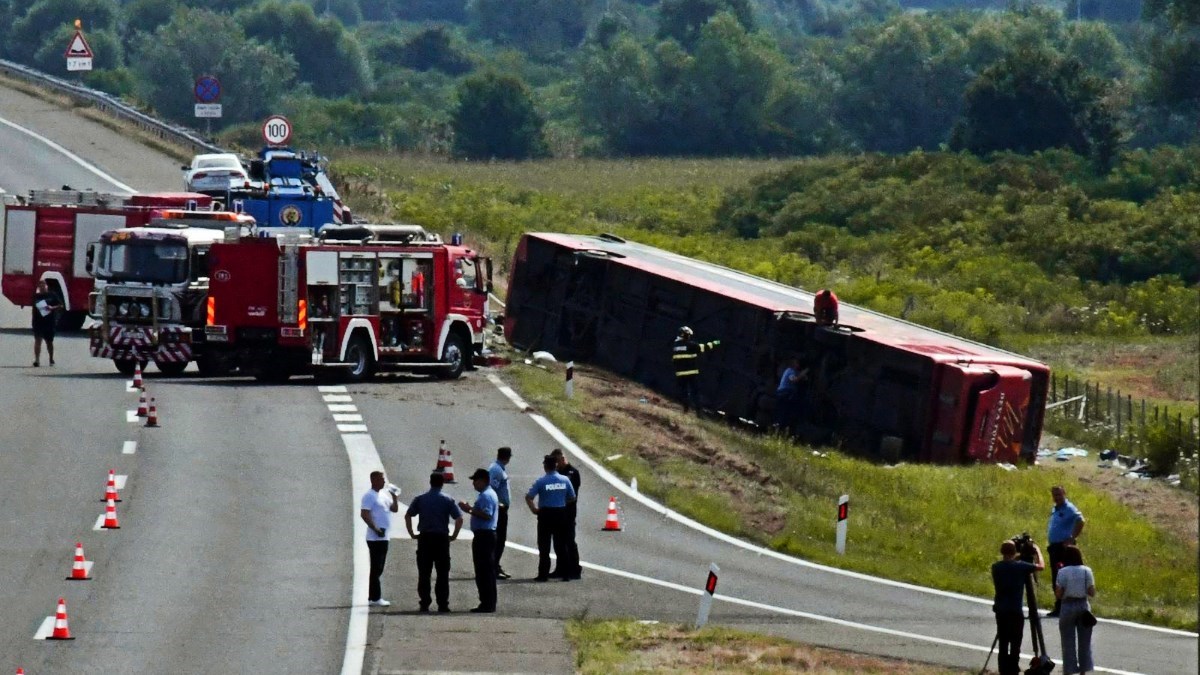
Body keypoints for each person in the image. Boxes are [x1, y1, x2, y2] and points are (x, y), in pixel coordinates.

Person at [405, 472, 464, 612]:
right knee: (442, 573)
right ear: (442, 483)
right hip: (441, 539)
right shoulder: (448, 499)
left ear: (430, 482)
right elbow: (459, 518)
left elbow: (408, 515)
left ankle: (424, 602)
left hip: (425, 538)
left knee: (424, 573)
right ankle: (442, 603)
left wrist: (412, 533)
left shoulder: (420, 499)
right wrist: (454, 535)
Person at [991, 539, 1045, 675]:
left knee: (1003, 642)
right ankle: (1013, 668)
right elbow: (1041, 566)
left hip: (1001, 610)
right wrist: (1037, 550)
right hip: (1015, 610)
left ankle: (1003, 670)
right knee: (1016, 641)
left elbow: (1010, 564)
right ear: (1015, 551)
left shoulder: (996, 567)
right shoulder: (1021, 567)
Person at [525, 454, 576, 582]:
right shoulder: (565, 480)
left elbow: (529, 496)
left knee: (544, 546)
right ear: (556, 465)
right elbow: (572, 497)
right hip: (560, 512)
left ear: (545, 466)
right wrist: (562, 502)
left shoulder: (541, 481)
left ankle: (543, 574)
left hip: (545, 514)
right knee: (561, 545)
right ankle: (565, 574)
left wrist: (534, 509)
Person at [458, 469, 499, 613]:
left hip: (484, 535)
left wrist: (469, 509)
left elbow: (487, 515)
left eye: (476, 481)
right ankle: (487, 602)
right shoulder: (486, 494)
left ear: (483, 480)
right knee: (484, 570)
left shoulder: (486, 496)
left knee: (484, 570)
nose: (474, 484)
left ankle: (487, 603)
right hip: (485, 535)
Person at [360, 470, 400, 607]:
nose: (384, 481)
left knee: (380, 567)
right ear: (374, 480)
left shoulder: (383, 495)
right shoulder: (369, 496)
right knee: (376, 567)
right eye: (381, 479)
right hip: (375, 537)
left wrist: (394, 496)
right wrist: (375, 528)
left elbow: (394, 509)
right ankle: (375, 597)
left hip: (384, 537)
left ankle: (374, 596)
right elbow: (364, 514)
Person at [1055, 545, 1097, 675]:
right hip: (1083, 605)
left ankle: (1069, 670)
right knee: (1085, 641)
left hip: (1068, 605)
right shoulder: (1086, 571)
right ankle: (1083, 670)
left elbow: (1059, 594)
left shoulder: (1062, 572)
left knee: (1068, 641)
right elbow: (1092, 592)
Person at [1046, 485, 1085, 617]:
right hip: (1054, 547)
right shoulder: (1056, 509)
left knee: (1062, 576)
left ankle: (1064, 606)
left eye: (1059, 495)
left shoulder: (1068, 508)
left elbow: (1080, 520)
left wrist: (1071, 538)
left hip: (1063, 548)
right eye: (1054, 495)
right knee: (1056, 576)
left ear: (1064, 494)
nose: (1057, 498)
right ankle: (1059, 605)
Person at [672, 326, 720, 414]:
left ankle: (685, 409)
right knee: (695, 392)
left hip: (680, 374)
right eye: (688, 335)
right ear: (685, 335)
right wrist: (716, 342)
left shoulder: (675, 345)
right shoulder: (690, 345)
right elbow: (703, 347)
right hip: (691, 373)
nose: (689, 336)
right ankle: (699, 412)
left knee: (684, 392)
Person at [550, 448, 581, 580]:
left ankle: (575, 569)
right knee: (558, 542)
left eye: (557, 461)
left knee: (569, 541)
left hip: (568, 513)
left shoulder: (572, 472)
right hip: (557, 513)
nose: (556, 464)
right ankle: (560, 568)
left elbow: (571, 493)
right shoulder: (556, 473)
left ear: (562, 459)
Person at [488, 447, 513, 580]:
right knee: (499, 539)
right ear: (507, 457)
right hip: (499, 509)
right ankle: (493, 566)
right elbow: (492, 488)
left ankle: (495, 564)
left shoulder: (499, 468)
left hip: (501, 509)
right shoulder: (496, 470)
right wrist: (498, 505)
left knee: (500, 539)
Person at [31, 280, 62, 367]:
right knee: (38, 341)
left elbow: (61, 305)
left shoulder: (52, 295)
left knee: (49, 342)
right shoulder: (36, 296)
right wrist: (33, 322)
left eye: (43, 285)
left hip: (49, 322)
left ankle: (51, 358)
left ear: (46, 286)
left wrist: (52, 307)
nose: (42, 287)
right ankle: (37, 360)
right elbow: (33, 309)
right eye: (40, 286)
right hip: (38, 322)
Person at [774, 357, 809, 433]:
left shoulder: (795, 372)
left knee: (787, 415)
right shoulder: (790, 371)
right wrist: (803, 373)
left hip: (788, 395)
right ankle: (777, 430)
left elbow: (805, 379)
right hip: (784, 394)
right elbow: (794, 379)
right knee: (782, 414)